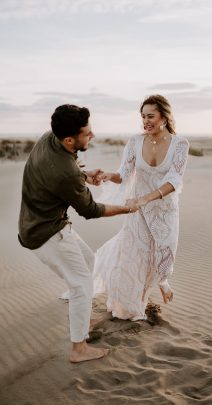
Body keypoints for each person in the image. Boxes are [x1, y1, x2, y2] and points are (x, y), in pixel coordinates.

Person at [18, 104, 138, 363]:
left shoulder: (50, 138)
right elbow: (91, 210)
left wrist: (83, 175)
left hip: (46, 223)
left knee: (88, 261)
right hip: (45, 234)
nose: (92, 135)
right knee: (82, 283)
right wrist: (127, 208)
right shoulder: (65, 172)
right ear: (70, 139)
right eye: (87, 133)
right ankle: (78, 349)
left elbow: (62, 172)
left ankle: (81, 318)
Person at [93, 94, 189, 321]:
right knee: (136, 256)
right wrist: (109, 176)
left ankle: (162, 281)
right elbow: (124, 174)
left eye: (151, 116)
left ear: (164, 117)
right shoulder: (135, 141)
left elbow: (175, 181)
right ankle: (132, 305)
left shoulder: (180, 144)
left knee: (163, 254)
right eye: (143, 116)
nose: (145, 121)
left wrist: (145, 199)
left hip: (164, 211)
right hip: (138, 211)